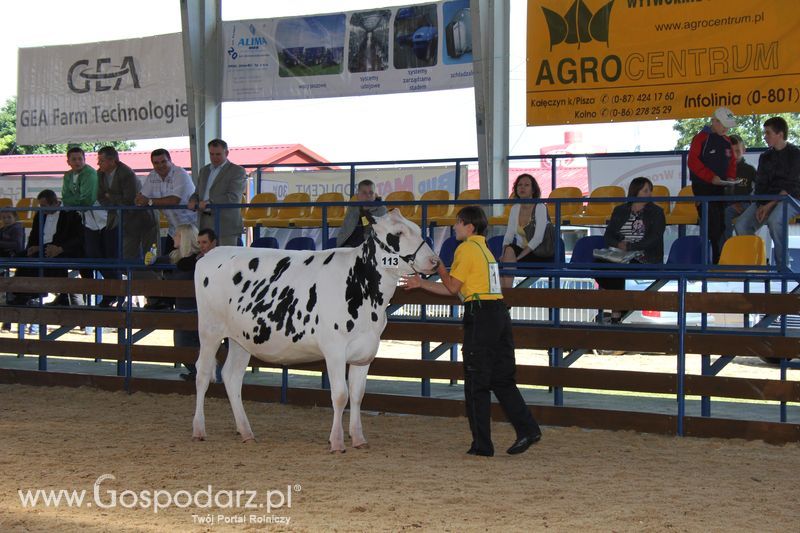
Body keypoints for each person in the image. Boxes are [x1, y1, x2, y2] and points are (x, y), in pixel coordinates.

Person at [401, 206, 542, 457]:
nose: (455, 226)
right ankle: (527, 428)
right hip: (498, 313)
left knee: (477, 380)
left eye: (459, 223)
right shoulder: (485, 250)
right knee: (502, 379)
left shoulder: (465, 249)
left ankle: (482, 445)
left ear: (470, 227)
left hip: (481, 316)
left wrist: (439, 268)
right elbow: (457, 290)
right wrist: (423, 282)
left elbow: (453, 287)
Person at [596, 177, 666, 323]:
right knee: (597, 263)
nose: (649, 194)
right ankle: (620, 307)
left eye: (650, 191)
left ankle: (616, 312)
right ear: (636, 191)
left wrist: (630, 247)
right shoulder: (620, 210)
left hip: (644, 255)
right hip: (620, 252)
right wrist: (618, 244)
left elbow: (654, 238)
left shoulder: (657, 212)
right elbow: (609, 235)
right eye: (645, 190)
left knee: (617, 268)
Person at [734, 116, 800, 269]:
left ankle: (783, 265)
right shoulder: (765, 157)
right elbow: (761, 185)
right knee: (742, 224)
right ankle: (755, 263)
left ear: (780, 134)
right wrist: (760, 205)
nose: (765, 136)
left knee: (775, 221)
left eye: (768, 133)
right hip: (766, 200)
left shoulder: (796, 154)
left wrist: (768, 206)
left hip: (791, 199)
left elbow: (791, 186)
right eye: (764, 133)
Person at [8, 190, 84, 306]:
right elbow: (34, 235)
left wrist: (59, 248)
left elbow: (76, 238)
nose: (41, 208)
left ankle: (32, 294)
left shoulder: (70, 214)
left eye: (44, 205)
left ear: (54, 203)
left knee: (46, 257)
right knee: (21, 257)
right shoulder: (40, 215)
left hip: (61, 249)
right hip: (42, 248)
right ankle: (20, 293)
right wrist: (32, 247)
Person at [687, 106, 739, 264]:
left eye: (727, 125)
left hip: (721, 188)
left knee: (721, 224)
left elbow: (732, 163)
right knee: (711, 225)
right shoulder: (701, 138)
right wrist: (711, 177)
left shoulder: (727, 140)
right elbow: (692, 162)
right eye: (723, 124)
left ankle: (719, 259)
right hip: (703, 187)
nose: (725, 128)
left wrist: (730, 178)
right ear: (714, 121)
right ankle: (711, 261)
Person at [171, 227, 217, 381]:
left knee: (190, 343)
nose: (202, 246)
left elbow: (184, 265)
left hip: (197, 309)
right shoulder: (184, 257)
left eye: (204, 242)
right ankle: (201, 373)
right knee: (186, 343)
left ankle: (203, 373)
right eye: (199, 242)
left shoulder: (204, 259)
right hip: (187, 308)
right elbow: (182, 264)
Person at [136, 148, 196, 254]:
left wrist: (149, 201)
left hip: (190, 229)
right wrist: (143, 200)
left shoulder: (180, 173)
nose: (160, 165)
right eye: (156, 163)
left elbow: (174, 200)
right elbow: (140, 199)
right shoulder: (152, 175)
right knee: (169, 265)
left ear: (170, 160)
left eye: (163, 161)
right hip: (174, 230)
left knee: (189, 264)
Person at [187, 139, 246, 246]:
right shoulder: (204, 171)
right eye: (212, 154)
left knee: (226, 258)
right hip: (204, 222)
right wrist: (193, 200)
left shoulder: (237, 171)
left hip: (226, 224)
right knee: (206, 258)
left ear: (226, 153)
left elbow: (234, 197)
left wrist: (210, 202)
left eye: (218, 154)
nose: (214, 157)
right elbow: (198, 193)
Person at [500, 173, 554, 288]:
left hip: (540, 253)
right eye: (519, 185)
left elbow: (538, 238)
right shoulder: (515, 208)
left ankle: (506, 297)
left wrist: (518, 257)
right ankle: (506, 295)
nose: (522, 188)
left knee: (508, 257)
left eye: (526, 185)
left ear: (533, 190)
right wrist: (503, 253)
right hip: (521, 253)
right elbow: (509, 235)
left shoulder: (540, 207)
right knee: (502, 260)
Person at [722, 135, 757, 244]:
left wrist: (751, 203)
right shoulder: (722, 170)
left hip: (746, 204)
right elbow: (720, 191)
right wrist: (731, 203)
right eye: (731, 152)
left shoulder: (750, 170)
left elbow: (759, 187)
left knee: (742, 224)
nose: (734, 155)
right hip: (727, 205)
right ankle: (726, 247)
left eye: (737, 151)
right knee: (722, 214)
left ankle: (747, 248)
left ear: (744, 150)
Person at [336, 179, 387, 247]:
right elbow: (345, 231)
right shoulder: (352, 208)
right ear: (358, 195)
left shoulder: (381, 209)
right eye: (364, 193)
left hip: (372, 247)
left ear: (375, 195)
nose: (368, 196)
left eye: (371, 192)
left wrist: (365, 212)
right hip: (350, 247)